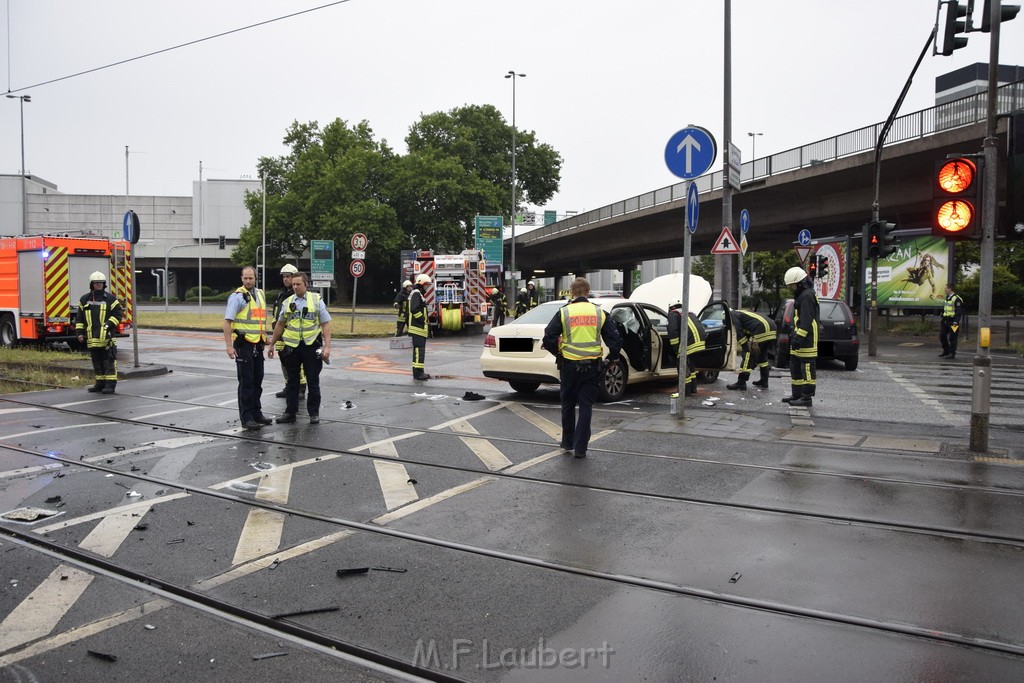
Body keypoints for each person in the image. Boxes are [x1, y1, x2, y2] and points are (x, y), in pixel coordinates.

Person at [542, 277, 622, 459]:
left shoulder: (564, 312)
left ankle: (567, 442)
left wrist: (558, 353)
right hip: (592, 367)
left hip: (569, 366)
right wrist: (612, 358)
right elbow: (615, 339)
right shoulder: (599, 312)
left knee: (568, 405)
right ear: (588, 292)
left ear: (572, 293)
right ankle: (581, 449)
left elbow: (548, 338)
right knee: (586, 406)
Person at [268, 272, 331, 424]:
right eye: (293, 284)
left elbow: (325, 324)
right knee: (292, 382)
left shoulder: (316, 300)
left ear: (306, 284)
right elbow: (280, 324)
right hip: (292, 347)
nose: (295, 287)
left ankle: (313, 413)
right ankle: (290, 413)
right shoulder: (288, 301)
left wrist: (327, 347)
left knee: (313, 381)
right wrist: (271, 344)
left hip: (310, 346)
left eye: (298, 284)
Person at [223, 266, 270, 430]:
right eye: (245, 278)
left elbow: (260, 320)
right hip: (243, 345)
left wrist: (265, 335)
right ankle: (247, 417)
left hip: (258, 343)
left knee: (258, 380)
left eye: (251, 278)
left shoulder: (260, 294)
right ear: (241, 278)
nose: (248, 281)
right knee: (246, 382)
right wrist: (229, 346)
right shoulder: (237, 297)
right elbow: (227, 322)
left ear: (255, 278)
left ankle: (257, 413)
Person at [75, 271, 122, 394]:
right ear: (92, 284)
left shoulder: (111, 299)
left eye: (101, 283)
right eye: (96, 283)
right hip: (92, 338)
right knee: (97, 362)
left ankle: (110, 385)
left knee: (109, 362)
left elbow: (118, 315)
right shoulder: (84, 299)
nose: (99, 285)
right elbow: (79, 319)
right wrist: (79, 333)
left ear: (104, 284)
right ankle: (100, 383)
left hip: (107, 338)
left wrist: (108, 325)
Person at [782, 266, 820, 407]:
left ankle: (806, 397)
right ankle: (797, 394)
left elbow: (806, 320)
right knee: (795, 365)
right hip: (800, 334)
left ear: (799, 283)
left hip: (807, 336)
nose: (791, 287)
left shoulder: (807, 296)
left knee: (807, 366)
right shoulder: (803, 294)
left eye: (792, 285)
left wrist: (799, 338)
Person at [272, 264, 305, 399]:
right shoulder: (281, 294)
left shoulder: (295, 295)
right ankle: (289, 386)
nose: (286, 279)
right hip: (280, 334)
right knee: (283, 360)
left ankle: (301, 387)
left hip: (291, 335)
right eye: (284, 277)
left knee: (296, 363)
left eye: (288, 276)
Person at [727, 309, 778, 390]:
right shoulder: (743, 313)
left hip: (761, 329)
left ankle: (741, 382)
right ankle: (764, 381)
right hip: (772, 329)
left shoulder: (733, 314)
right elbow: (748, 329)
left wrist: (744, 345)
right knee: (762, 356)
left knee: (748, 354)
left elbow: (739, 330)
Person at [667, 301, 707, 396]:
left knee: (682, 366)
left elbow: (673, 333)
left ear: (671, 308)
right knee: (690, 366)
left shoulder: (673, 314)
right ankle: (693, 388)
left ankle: (685, 391)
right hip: (700, 342)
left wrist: (677, 350)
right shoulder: (690, 312)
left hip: (689, 343)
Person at [407, 273, 432, 380]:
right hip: (417, 328)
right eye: (427, 284)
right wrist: (423, 320)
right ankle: (418, 374)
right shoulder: (416, 293)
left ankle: (419, 372)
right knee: (418, 351)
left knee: (419, 351)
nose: (427, 286)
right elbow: (414, 309)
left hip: (419, 329)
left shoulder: (418, 294)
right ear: (422, 284)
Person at [939, 282, 964, 360]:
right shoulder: (947, 297)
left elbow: (959, 311)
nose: (945, 289)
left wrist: (956, 321)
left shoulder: (957, 299)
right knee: (942, 335)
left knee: (953, 338)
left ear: (950, 289)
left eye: (946, 288)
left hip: (953, 322)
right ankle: (946, 351)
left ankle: (952, 353)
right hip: (946, 320)